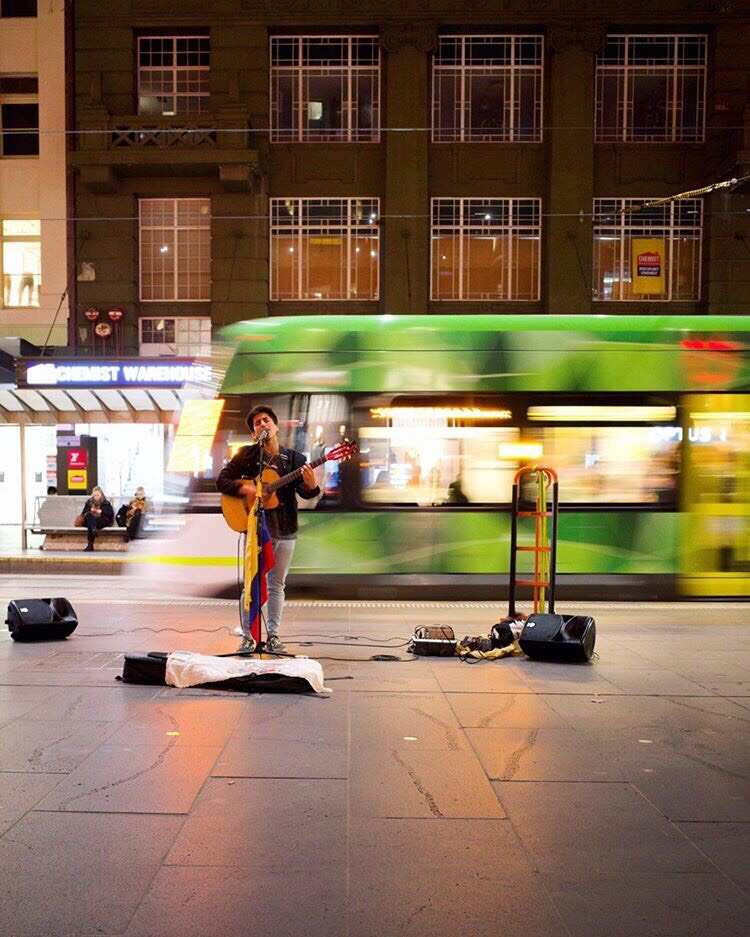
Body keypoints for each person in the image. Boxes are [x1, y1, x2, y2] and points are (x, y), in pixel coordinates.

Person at [216, 404, 320, 654]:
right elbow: (222, 480)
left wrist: (312, 485)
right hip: (257, 530)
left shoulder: (294, 459)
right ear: (254, 433)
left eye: (266, 421)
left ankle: (273, 635)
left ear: (275, 426)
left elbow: (306, 493)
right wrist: (246, 489)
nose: (262, 425)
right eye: (257, 424)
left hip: (286, 529)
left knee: (277, 585)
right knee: (252, 584)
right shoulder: (247, 456)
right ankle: (249, 636)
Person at [81, 485, 114, 551]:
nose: (96, 496)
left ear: (101, 494)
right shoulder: (89, 502)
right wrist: (91, 510)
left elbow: (110, 514)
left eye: (98, 495)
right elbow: (83, 513)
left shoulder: (106, 502)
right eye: (94, 495)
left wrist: (101, 511)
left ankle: (90, 545)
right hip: (91, 520)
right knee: (90, 517)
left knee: (91, 524)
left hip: (102, 520)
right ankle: (94, 529)